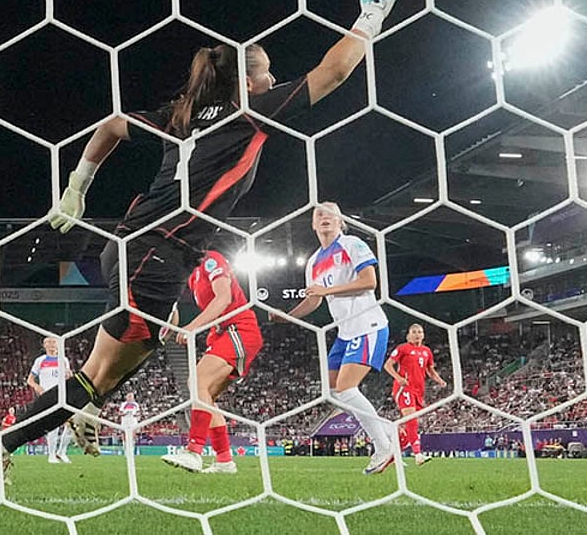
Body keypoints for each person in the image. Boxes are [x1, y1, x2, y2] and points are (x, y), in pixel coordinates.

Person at [0, 0, 411, 481]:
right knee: (101, 371)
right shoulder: (249, 112)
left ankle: (69, 416)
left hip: (139, 247)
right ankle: (10, 440)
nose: (273, 78)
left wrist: (77, 189)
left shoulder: (182, 114)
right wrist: (372, 15)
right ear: (246, 83)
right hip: (156, 250)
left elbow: (112, 124)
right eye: (266, 71)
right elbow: (333, 72)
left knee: (113, 371)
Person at [272, 202, 396, 475]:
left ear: (341, 221)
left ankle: (383, 446)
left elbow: (369, 282)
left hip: (367, 323)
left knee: (347, 388)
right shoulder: (314, 261)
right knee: (332, 391)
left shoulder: (352, 245)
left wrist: (328, 290)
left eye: (330, 213)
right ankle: (387, 429)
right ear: (313, 224)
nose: (325, 217)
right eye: (319, 214)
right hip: (345, 331)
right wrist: (288, 317)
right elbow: (314, 300)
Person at [162, 250, 263, 474]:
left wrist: (193, 327)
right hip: (221, 333)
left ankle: (194, 451)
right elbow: (174, 313)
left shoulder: (210, 260)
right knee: (206, 396)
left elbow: (224, 297)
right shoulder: (191, 276)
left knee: (197, 381)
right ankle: (225, 460)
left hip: (238, 328)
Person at [383, 323, 446, 466]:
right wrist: (398, 378)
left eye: (420, 332)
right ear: (408, 335)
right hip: (403, 388)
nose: (417, 334)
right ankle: (418, 454)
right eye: (414, 332)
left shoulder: (426, 351)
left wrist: (440, 381)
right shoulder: (403, 348)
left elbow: (430, 370)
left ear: (423, 335)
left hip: (419, 391)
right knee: (412, 421)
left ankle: (389, 458)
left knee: (408, 428)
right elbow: (388, 365)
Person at [28, 337, 74, 464]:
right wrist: (37, 387)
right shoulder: (40, 360)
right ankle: (51, 455)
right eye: (48, 342)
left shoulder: (64, 360)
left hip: (63, 395)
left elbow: (68, 377)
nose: (51, 344)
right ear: (44, 345)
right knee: (53, 426)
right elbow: (30, 380)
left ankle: (62, 452)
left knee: (72, 424)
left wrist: (69, 376)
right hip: (48, 396)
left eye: (53, 342)